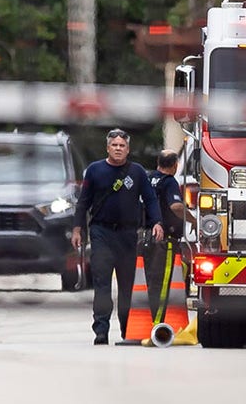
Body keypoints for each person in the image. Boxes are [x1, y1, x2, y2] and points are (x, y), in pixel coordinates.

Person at [72, 129, 163, 345]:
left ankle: (127, 330)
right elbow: (83, 202)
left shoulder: (137, 172)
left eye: (122, 145)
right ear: (108, 148)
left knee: (127, 285)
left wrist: (157, 223)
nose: (118, 149)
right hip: (101, 232)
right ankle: (101, 330)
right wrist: (77, 228)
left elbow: (150, 200)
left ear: (128, 149)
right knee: (102, 283)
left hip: (128, 235)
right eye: (114, 145)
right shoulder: (94, 170)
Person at [143, 149, 192, 325]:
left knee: (149, 280)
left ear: (158, 162)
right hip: (166, 239)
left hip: (146, 237)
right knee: (163, 282)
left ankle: (149, 319)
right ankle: (158, 322)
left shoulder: (149, 179)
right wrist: (193, 220)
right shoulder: (170, 182)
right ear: (174, 165)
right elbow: (176, 207)